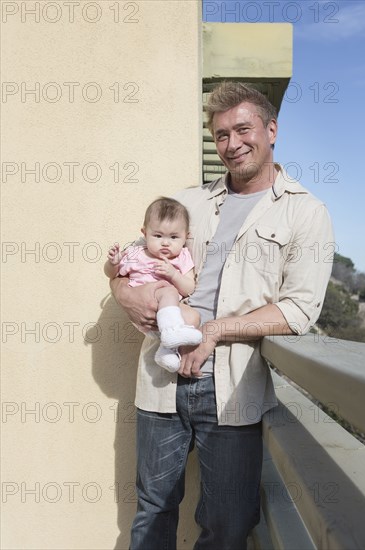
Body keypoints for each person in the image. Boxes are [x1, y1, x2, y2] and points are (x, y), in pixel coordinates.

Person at [110, 81, 334, 550]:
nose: (232, 145)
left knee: (229, 523)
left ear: (272, 130)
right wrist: (120, 291)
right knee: (153, 511)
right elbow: (131, 260)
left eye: (243, 130)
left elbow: (299, 309)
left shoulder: (306, 213)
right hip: (161, 383)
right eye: (221, 135)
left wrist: (215, 330)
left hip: (233, 389)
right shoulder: (188, 202)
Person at [104, 197, 202, 372]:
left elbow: (189, 289)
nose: (165, 242)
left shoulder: (182, 257)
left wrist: (173, 274)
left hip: (166, 315)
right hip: (142, 312)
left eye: (174, 237)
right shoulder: (136, 253)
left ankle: (167, 351)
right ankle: (171, 334)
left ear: (186, 237)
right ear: (145, 233)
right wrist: (113, 263)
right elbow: (112, 276)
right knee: (167, 291)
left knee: (194, 318)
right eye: (157, 236)